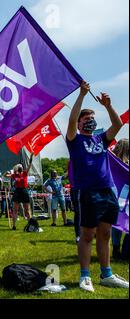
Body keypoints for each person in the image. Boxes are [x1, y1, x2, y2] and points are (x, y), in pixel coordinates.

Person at [66, 80, 128, 291]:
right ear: (81, 123)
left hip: (107, 190)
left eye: (92, 118)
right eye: (87, 119)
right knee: (87, 235)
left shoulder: (101, 139)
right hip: (87, 192)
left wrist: (108, 106)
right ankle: (85, 276)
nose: (90, 121)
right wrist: (82, 95)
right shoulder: (74, 139)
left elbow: (118, 125)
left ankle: (106, 274)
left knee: (105, 233)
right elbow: (72, 121)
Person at [110, 138, 129, 261]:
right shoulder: (113, 161)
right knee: (120, 222)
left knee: (117, 223)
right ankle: (121, 249)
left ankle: (117, 249)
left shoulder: (112, 161)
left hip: (119, 196)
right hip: (121, 197)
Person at [6, 153, 34, 230]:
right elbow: (5, 175)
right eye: (20, 166)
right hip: (17, 191)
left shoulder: (25, 173)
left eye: (22, 166)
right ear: (17, 168)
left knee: (27, 210)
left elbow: (29, 165)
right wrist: (8, 173)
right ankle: (14, 225)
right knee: (15, 210)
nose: (21, 167)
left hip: (24, 191)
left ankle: (30, 225)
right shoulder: (14, 175)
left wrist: (31, 158)